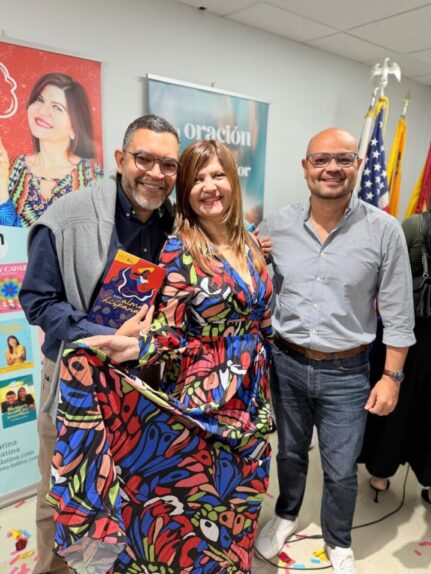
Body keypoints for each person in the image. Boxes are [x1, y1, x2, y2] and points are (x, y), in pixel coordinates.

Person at [46, 139, 275, 573]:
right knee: (197, 512)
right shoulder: (180, 249)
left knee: (242, 504)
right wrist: (135, 347)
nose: (209, 186)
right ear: (185, 191)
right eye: (197, 179)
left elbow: (262, 321)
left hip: (253, 401)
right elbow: (169, 331)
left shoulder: (250, 244)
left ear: (233, 180)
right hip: (206, 403)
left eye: (218, 175)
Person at [19, 114, 180, 574]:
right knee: (62, 493)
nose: (155, 173)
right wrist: (97, 335)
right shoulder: (67, 217)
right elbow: (37, 300)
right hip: (75, 382)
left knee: (128, 486)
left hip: (141, 384)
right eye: (144, 159)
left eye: (168, 165)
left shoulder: (173, 225)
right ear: (120, 158)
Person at [254, 128, 415, 574]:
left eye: (344, 159)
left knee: (342, 468)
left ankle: (338, 539)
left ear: (358, 166)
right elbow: (250, 280)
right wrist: (254, 256)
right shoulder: (276, 225)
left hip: (347, 371)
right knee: (289, 453)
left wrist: (392, 378)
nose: (332, 168)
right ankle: (286, 514)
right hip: (285, 363)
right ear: (305, 167)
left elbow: (399, 314)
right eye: (321, 159)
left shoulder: (384, 231)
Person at [360, 209, 431, 507]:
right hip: (410, 335)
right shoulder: (415, 226)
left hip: (408, 333)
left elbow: (391, 280)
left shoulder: (416, 225)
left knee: (399, 407)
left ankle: (382, 472)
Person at [0, 72, 103, 227]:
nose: (42, 111)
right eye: (40, 100)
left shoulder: (94, 176)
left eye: (57, 107)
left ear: (75, 127)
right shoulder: (9, 167)